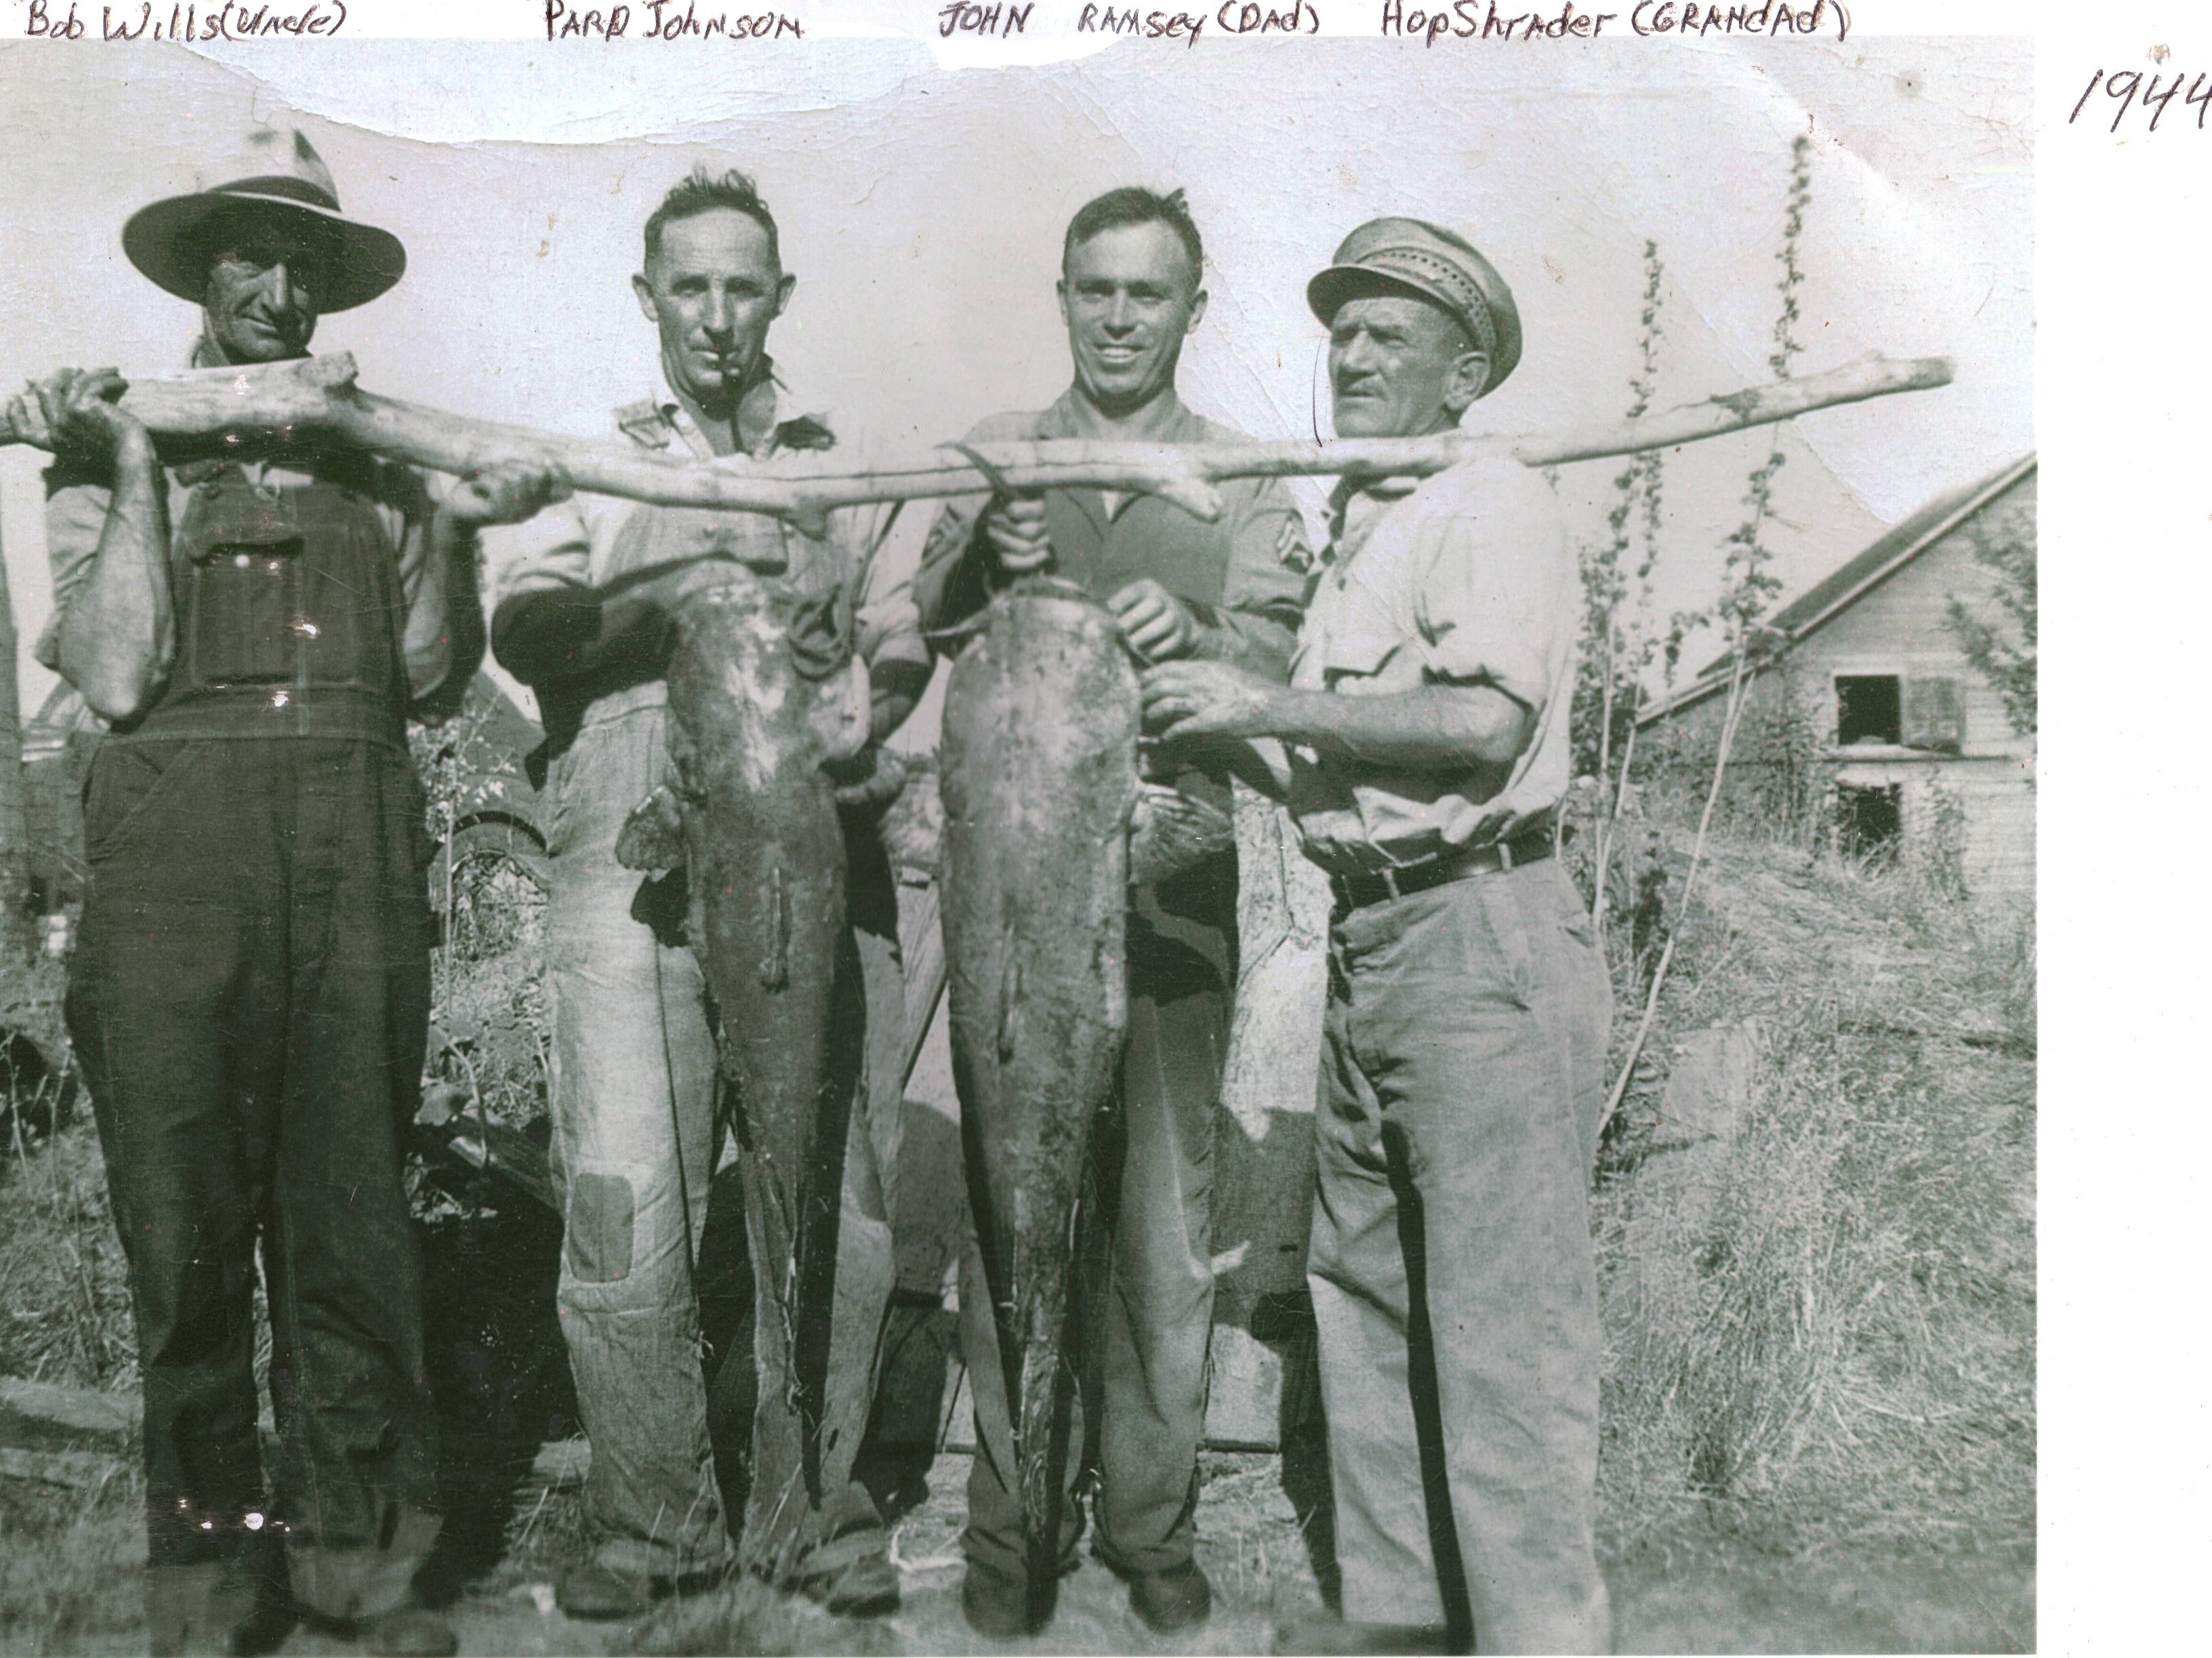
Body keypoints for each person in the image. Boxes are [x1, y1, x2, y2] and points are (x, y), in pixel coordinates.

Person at [22, 127, 558, 1658]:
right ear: (202, 272)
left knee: (350, 1227)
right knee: (185, 1237)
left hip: (352, 863)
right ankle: (208, 1583)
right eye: (250, 253)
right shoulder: (102, 441)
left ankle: (361, 1578)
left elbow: (436, 675)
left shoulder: (375, 451)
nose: (280, 284)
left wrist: (454, 514)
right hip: (173, 876)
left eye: (304, 258)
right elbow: (116, 666)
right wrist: (133, 458)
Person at [1141, 218, 1615, 1656]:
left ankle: (1540, 1638)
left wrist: (1266, 706)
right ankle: (1405, 1628)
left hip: (1483, 942)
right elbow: (1327, 775)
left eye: (1388, 334)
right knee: (1366, 1306)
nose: (1350, 353)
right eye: (1341, 329)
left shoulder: (1492, 503)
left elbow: (1480, 725)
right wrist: (1200, 707)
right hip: (1376, 945)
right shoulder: (1371, 526)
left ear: (1463, 370)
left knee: (1505, 1339)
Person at [485, 166, 930, 1621]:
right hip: (631, 860)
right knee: (629, 1198)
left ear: (780, 297)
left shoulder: (840, 465)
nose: (720, 316)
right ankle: (655, 1518)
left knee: (833, 1199)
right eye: (692, 286)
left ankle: (815, 1511)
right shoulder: (590, 456)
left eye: (747, 286)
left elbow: (902, 638)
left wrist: (868, 697)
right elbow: (534, 630)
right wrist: (666, 594)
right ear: (649, 297)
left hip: (804, 858)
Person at [912, 185, 1314, 1638]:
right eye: (1097, 289)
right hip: (1019, 904)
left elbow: (1279, 644)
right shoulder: (1002, 456)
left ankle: (1147, 1522)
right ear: (1063, 293)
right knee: (1013, 1217)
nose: (1121, 316)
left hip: (1170, 891)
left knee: (1158, 1230)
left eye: (1150, 293)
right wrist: (985, 560)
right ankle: (1012, 1522)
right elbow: (927, 623)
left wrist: (1196, 631)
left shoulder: (1248, 475)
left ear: (1194, 307)